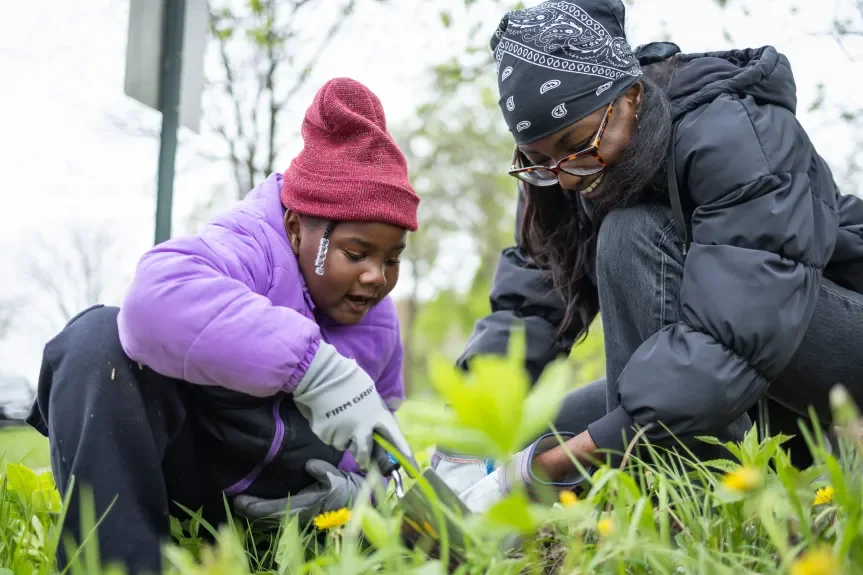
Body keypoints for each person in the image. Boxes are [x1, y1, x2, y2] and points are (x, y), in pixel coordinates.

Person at [432, 0, 863, 512]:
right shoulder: (562, 170)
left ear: (632, 97)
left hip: (826, 359)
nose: (567, 176)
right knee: (539, 432)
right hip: (743, 386)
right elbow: (529, 303)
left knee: (630, 233)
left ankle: (690, 503)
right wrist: (464, 436)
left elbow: (735, 334)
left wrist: (559, 463)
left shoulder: (735, 132)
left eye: (578, 143)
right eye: (539, 161)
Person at [26, 77, 419, 574]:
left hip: (294, 521)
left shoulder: (378, 318)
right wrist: (315, 368)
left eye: (392, 259)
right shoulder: (252, 245)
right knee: (97, 341)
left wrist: (359, 495)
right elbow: (152, 300)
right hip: (197, 483)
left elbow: (381, 445)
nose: (376, 277)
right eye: (356, 253)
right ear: (297, 227)